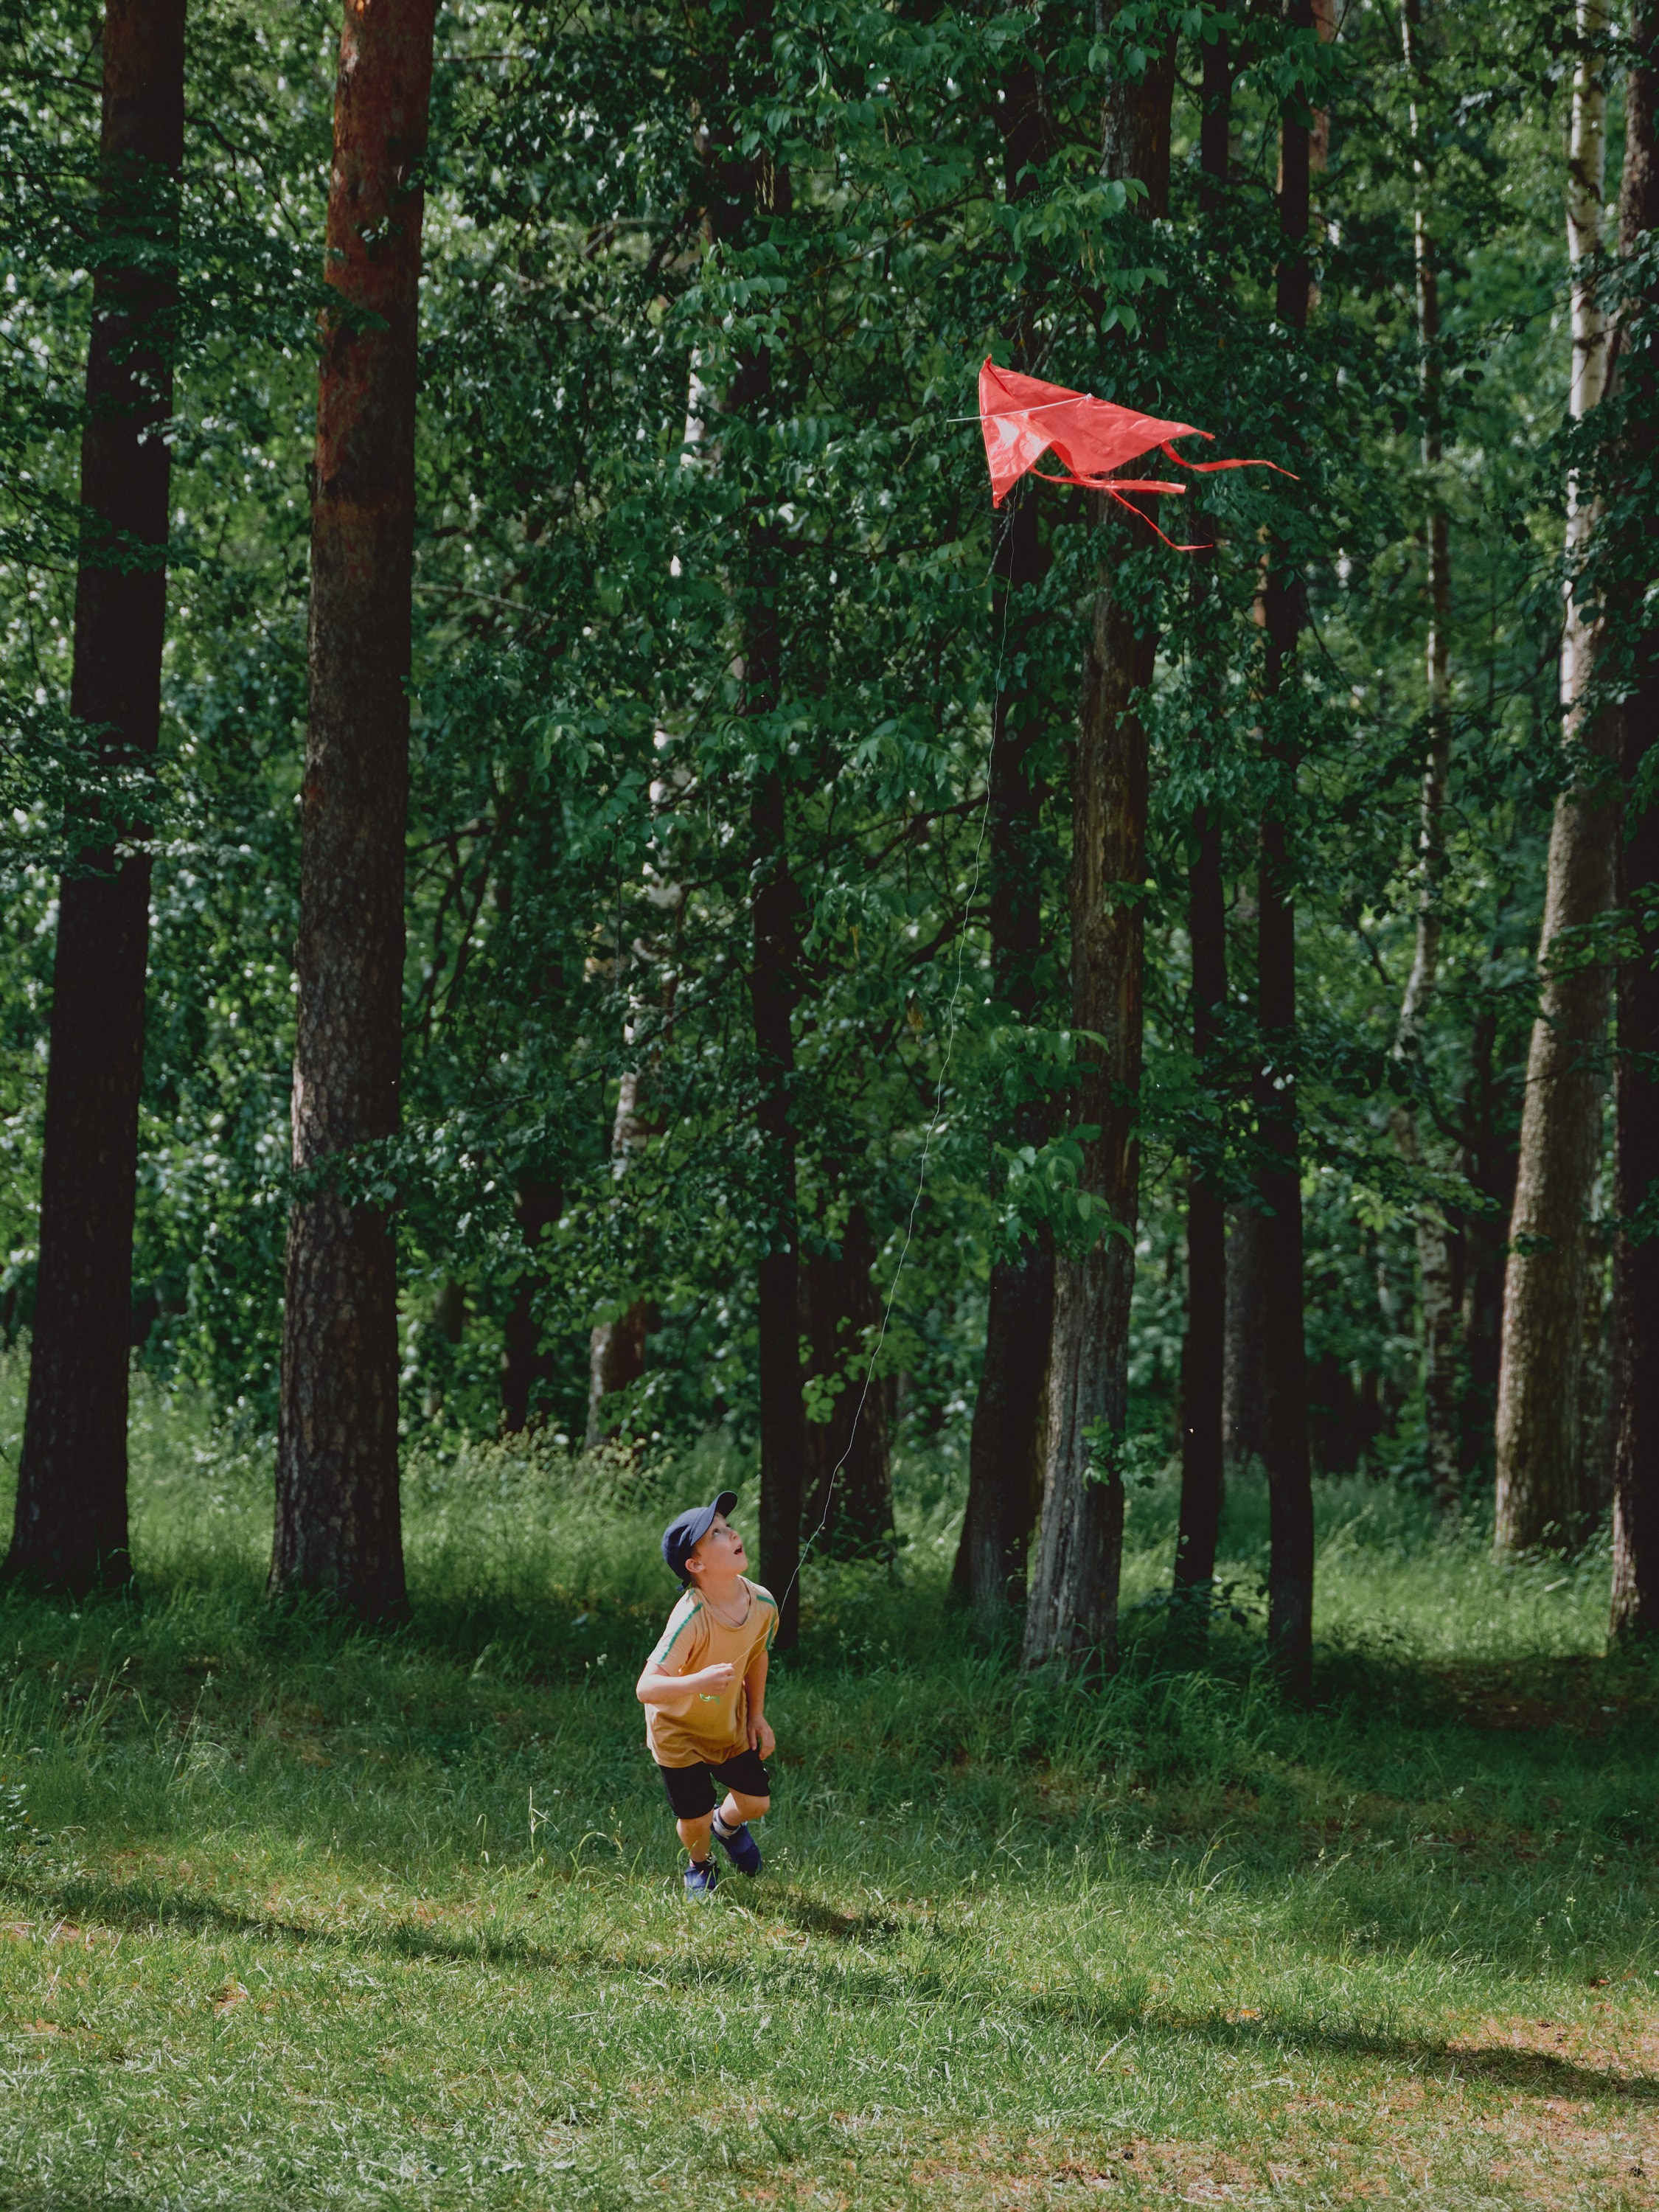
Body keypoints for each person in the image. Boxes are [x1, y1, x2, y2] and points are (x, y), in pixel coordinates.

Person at [636, 1489, 779, 1900]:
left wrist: (757, 1716)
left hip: (726, 1723)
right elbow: (646, 1688)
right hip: (676, 1731)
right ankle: (699, 1864)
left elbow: (757, 1655)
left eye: (728, 1526)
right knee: (693, 1817)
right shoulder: (690, 1617)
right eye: (716, 1532)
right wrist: (695, 1683)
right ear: (695, 1564)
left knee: (756, 1801)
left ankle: (727, 1826)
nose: (732, 1533)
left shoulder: (763, 1603)